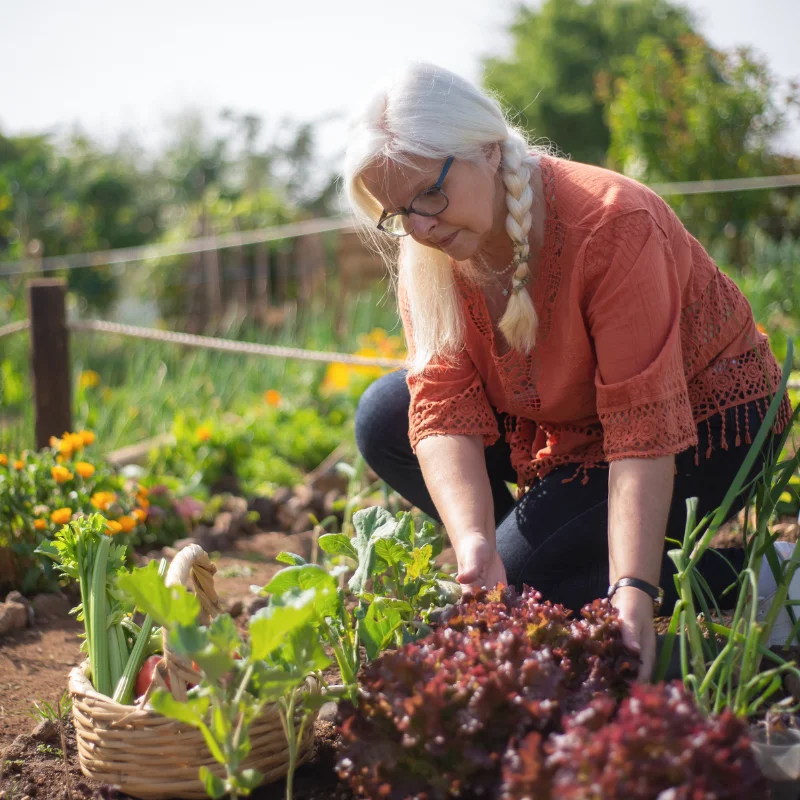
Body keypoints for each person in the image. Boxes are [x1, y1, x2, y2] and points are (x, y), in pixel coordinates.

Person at [343, 62, 793, 679]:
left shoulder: (612, 223)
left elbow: (642, 429)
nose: (419, 227)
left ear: (490, 151)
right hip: (573, 421)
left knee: (532, 582)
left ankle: (767, 577)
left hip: (706, 423)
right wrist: (474, 542)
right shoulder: (433, 251)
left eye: (428, 193)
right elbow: (442, 402)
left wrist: (633, 588)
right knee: (384, 416)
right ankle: (538, 559)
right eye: (398, 212)